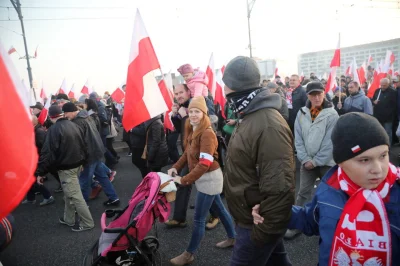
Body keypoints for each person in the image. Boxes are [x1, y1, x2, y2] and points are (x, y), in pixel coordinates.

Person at [253, 112, 400, 265]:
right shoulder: (330, 189)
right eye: (364, 160)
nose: (378, 169)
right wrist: (271, 210)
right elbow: (312, 221)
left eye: (383, 155)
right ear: (341, 162)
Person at [222, 56, 295, 266]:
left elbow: (280, 187)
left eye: (226, 83)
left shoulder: (268, 125)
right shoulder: (249, 114)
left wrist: (264, 232)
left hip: (256, 224)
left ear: (235, 87)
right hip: (251, 216)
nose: (224, 89)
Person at [168, 97, 236, 266]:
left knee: (198, 219)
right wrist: (175, 167)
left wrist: (184, 180)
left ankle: (189, 254)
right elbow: (186, 153)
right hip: (203, 179)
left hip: (210, 180)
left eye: (197, 111)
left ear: (204, 113)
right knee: (220, 209)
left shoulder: (206, 132)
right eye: (191, 111)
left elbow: (204, 163)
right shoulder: (194, 129)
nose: (193, 115)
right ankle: (233, 237)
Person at [285, 82, 339, 239]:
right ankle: (297, 224)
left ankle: (331, 225)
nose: (316, 97)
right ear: (307, 95)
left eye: (319, 94)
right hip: (307, 161)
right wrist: (304, 158)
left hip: (326, 162)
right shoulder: (302, 113)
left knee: (330, 194)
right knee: (303, 192)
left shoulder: (332, 114)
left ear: (324, 93)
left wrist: (315, 161)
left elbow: (330, 142)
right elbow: (298, 137)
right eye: (312, 94)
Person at [35, 105, 94, 232]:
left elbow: (47, 153)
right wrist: (84, 162)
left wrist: (40, 172)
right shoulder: (74, 124)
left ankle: (87, 223)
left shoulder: (53, 130)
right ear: (62, 114)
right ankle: (69, 219)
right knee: (69, 193)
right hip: (77, 164)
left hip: (66, 168)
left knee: (75, 196)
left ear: (50, 117)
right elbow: (85, 145)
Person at [62, 102, 120, 206]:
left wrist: (81, 160)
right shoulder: (87, 117)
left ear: (71, 111)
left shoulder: (78, 122)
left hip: (89, 155)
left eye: (66, 113)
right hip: (97, 151)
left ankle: (82, 206)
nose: (65, 116)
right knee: (102, 177)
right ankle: (114, 198)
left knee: (84, 181)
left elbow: (79, 143)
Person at [22, 115, 55, 206]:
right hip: (32, 159)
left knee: (34, 179)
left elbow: (42, 149)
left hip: (36, 160)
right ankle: (30, 198)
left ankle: (48, 197)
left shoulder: (38, 132)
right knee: (29, 180)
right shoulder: (35, 130)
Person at [371, 78, 398, 145]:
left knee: (388, 132)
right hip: (378, 115)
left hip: (388, 117)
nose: (382, 87)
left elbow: (395, 105)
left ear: (388, 84)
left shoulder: (393, 92)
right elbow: (373, 99)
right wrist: (374, 102)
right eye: (381, 85)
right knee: (378, 131)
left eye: (384, 85)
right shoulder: (377, 91)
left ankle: (388, 146)